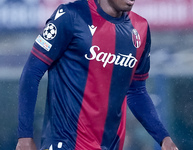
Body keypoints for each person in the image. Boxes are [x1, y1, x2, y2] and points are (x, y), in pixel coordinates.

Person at [16, 0, 179, 149]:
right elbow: (32, 72)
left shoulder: (140, 28)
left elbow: (137, 92)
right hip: (65, 142)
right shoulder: (71, 15)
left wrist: (163, 138)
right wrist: (24, 136)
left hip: (111, 145)